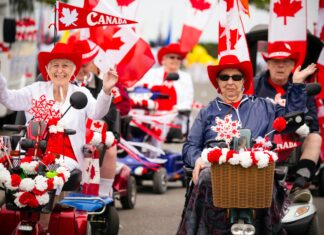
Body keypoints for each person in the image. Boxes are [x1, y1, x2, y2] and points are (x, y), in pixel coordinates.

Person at [177, 54, 316, 234]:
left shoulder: (265, 107)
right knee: (204, 178)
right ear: (217, 82)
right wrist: (197, 159)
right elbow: (190, 146)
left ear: (244, 81)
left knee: (269, 184)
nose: (230, 82)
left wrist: (296, 84)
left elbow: (293, 119)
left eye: (236, 77)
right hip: (216, 174)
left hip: (258, 174)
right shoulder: (207, 113)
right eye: (224, 77)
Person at [0, 42, 118, 196]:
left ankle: (43, 219)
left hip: (64, 158)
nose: (60, 70)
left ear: (73, 70)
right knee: (14, 175)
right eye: (55, 65)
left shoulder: (80, 93)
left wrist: (106, 90)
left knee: (46, 178)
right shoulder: (35, 89)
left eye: (65, 66)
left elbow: (97, 112)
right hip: (29, 152)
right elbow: (9, 99)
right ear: (48, 69)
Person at [254, 42, 322, 203]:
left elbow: (312, 122)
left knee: (315, 137)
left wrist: (303, 125)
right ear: (268, 64)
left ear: (292, 65)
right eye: (276, 62)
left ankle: (299, 184)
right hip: (261, 139)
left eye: (285, 62)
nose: (280, 66)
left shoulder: (302, 88)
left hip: (293, 143)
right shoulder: (254, 85)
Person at [134, 42, 194, 140]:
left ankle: (154, 151)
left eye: (179, 58)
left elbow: (188, 101)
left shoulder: (186, 77)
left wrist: (176, 109)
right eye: (172, 57)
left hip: (175, 115)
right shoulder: (151, 73)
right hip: (152, 113)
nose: (176, 60)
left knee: (160, 126)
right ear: (163, 60)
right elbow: (140, 91)